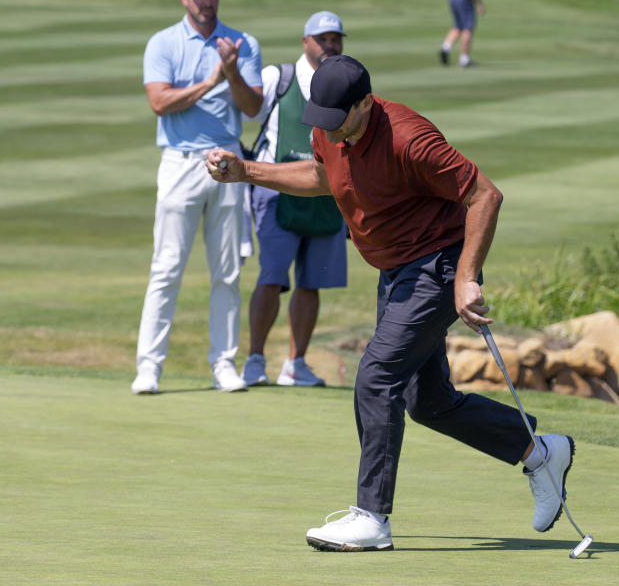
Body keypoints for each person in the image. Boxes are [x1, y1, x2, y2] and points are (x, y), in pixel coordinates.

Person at [205, 55, 576, 552]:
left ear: (365, 103)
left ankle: (372, 517)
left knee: (376, 377)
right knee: (428, 402)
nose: (328, 131)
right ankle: (539, 453)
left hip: (438, 268)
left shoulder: (409, 137)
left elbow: (485, 196)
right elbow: (321, 178)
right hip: (397, 273)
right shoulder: (328, 125)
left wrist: (466, 278)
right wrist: (246, 170)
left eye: (338, 120)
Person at [130, 0, 263, 395]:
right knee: (166, 268)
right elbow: (160, 102)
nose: (208, 1)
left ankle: (224, 364)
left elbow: (252, 108)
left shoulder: (242, 43)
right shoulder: (163, 43)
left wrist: (234, 72)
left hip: (228, 162)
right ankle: (149, 367)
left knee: (227, 271)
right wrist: (211, 79)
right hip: (180, 161)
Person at [240, 11, 349, 388]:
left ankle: (295, 363)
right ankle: (255, 358)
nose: (330, 45)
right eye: (323, 38)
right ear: (306, 41)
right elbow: (248, 109)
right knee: (271, 276)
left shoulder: (346, 83)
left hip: (326, 195)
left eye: (336, 38)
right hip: (276, 190)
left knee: (311, 282)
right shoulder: (279, 77)